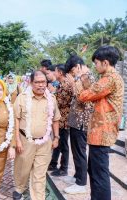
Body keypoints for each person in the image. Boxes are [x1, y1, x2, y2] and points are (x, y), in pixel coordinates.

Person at [77, 46, 123, 200]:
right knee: (95, 171)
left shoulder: (109, 79)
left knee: (99, 174)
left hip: (102, 132)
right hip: (99, 132)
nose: (95, 66)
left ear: (105, 63)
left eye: (96, 63)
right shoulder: (109, 78)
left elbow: (85, 95)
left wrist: (81, 78)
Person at [13, 70, 60, 200]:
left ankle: (38, 197)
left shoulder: (52, 99)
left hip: (45, 142)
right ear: (30, 83)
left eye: (43, 82)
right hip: (25, 140)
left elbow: (56, 119)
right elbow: (16, 119)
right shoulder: (22, 98)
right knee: (23, 169)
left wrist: (56, 137)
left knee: (39, 174)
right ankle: (19, 188)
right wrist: (17, 140)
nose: (41, 85)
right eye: (37, 82)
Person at [63, 55, 95, 194]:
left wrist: (74, 82)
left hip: (82, 122)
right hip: (76, 121)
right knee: (75, 151)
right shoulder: (81, 77)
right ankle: (77, 176)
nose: (72, 75)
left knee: (80, 152)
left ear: (77, 67)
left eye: (72, 72)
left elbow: (83, 98)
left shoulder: (87, 77)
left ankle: (81, 183)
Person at [49, 64, 73, 177]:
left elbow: (61, 102)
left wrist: (53, 93)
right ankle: (53, 163)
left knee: (63, 145)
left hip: (64, 119)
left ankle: (64, 168)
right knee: (58, 143)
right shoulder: (61, 84)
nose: (54, 73)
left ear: (60, 73)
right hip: (60, 119)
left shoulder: (66, 85)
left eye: (55, 71)